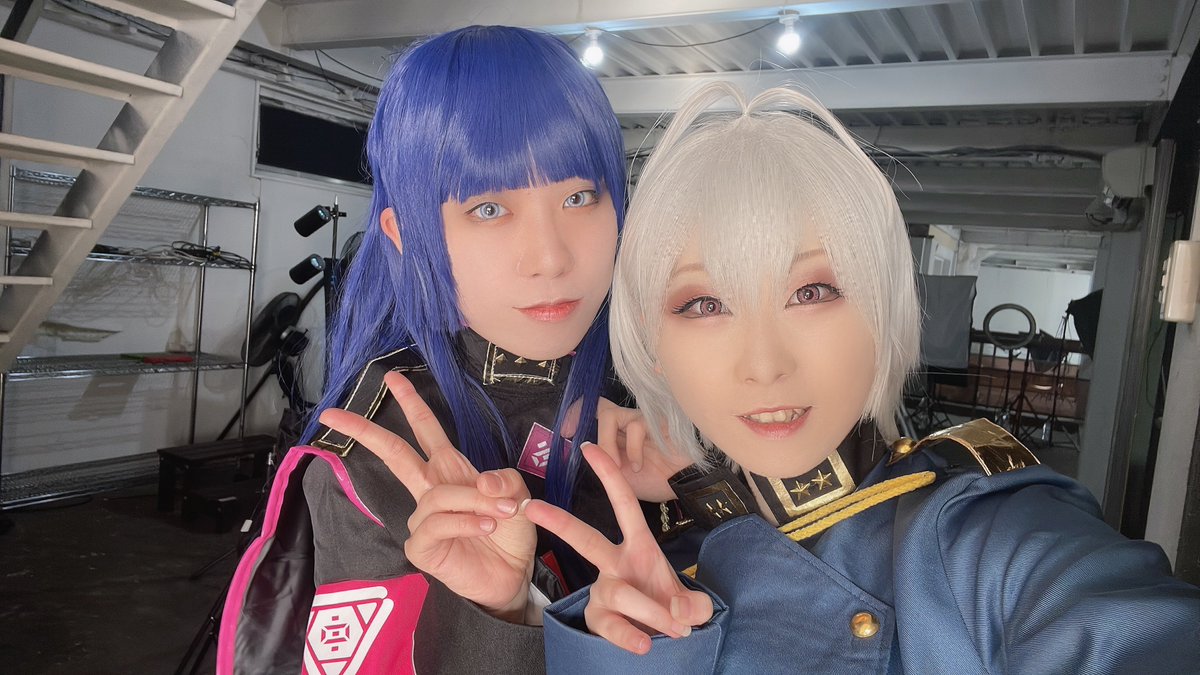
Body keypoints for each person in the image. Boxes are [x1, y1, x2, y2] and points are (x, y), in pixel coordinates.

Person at [527, 82, 1200, 672]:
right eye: (705, 304)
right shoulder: (652, 563)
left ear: (882, 309)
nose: (763, 365)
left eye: (812, 291)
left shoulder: (981, 536)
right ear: (653, 342)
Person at [218, 25, 632, 675]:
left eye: (579, 196)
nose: (552, 257)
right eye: (489, 209)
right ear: (407, 233)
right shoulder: (379, 459)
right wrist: (504, 614)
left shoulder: (655, 388)